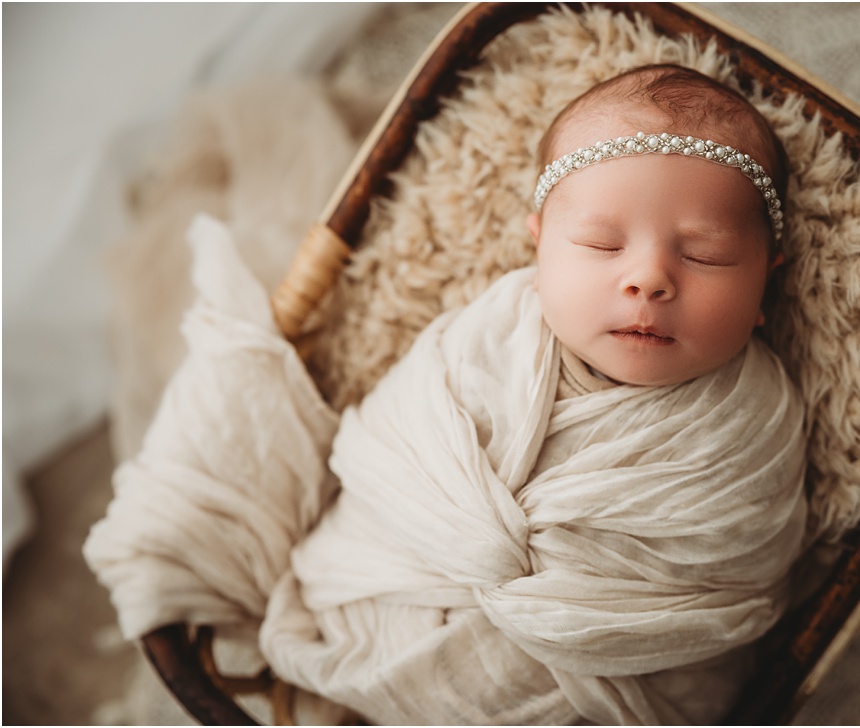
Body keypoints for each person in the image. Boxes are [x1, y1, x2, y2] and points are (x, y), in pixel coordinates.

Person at [254, 64, 810, 725]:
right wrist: (477, 548)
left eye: (707, 255)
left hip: (604, 686)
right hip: (389, 593)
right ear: (540, 246)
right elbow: (394, 446)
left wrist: (557, 596)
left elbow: (736, 571)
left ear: (764, 286)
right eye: (602, 244)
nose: (649, 279)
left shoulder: (756, 421)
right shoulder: (492, 334)